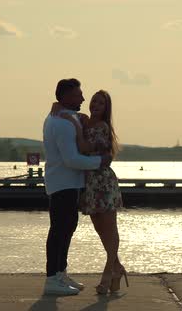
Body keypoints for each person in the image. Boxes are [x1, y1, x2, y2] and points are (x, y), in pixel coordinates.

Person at [52, 90, 128, 295]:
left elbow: (85, 148)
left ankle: (107, 274)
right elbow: (57, 108)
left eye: (100, 103)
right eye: (94, 101)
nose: (95, 104)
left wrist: (76, 127)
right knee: (100, 230)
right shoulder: (84, 121)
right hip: (89, 183)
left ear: (106, 108)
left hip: (102, 182)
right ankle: (118, 269)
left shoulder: (102, 127)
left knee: (109, 229)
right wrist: (71, 116)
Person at [42, 79, 112, 296]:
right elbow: (71, 159)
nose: (83, 98)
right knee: (59, 230)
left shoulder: (64, 117)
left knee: (67, 228)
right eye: (78, 95)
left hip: (68, 184)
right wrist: (100, 161)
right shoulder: (61, 123)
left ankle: (60, 273)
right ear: (65, 97)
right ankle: (52, 278)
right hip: (63, 183)